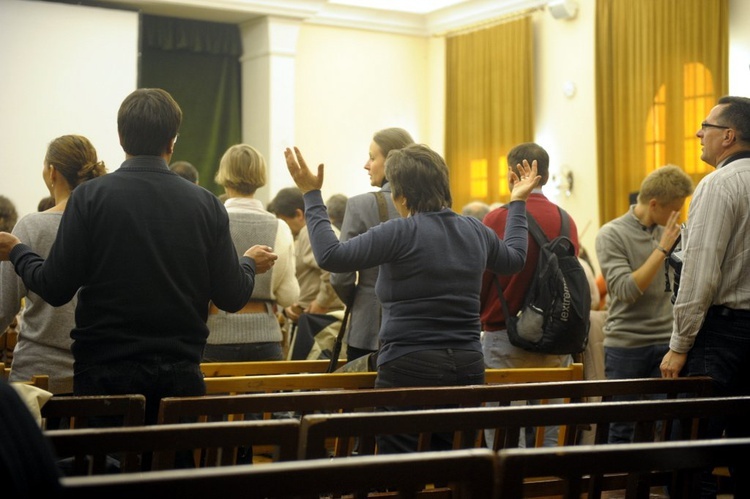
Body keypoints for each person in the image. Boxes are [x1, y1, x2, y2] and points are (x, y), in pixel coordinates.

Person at [0, 88, 277, 427]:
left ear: (120, 137)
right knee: (167, 475)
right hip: (179, 378)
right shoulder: (206, 204)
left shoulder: (90, 198)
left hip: (105, 379)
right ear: (172, 142)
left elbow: (55, 288)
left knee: (104, 474)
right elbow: (231, 296)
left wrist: (17, 251)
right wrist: (247, 263)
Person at [285, 143, 538, 453]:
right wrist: (517, 203)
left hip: (409, 366)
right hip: (467, 365)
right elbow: (514, 259)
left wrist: (312, 195)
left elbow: (330, 255)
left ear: (402, 195)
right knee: (455, 466)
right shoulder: (474, 230)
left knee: (402, 471)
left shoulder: (398, 233)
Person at [660, 95, 750, 497]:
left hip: (721, 336)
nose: (699, 133)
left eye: (706, 127)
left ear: (728, 136)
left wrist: (680, 344)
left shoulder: (719, 184)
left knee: (693, 455)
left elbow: (700, 273)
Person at [479, 142, 581, 448]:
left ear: (511, 176)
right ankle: (549, 488)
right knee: (551, 433)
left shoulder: (497, 219)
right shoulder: (566, 220)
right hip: (555, 336)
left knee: (504, 436)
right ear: (547, 177)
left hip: (505, 333)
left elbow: (482, 281)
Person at [0, 135, 107, 394]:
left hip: (37, 380)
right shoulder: (107, 225)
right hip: (95, 376)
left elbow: (3, 307)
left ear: (52, 172)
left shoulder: (31, 226)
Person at [595, 165, 693, 444]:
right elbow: (626, 290)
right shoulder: (611, 234)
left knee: (666, 426)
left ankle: (658, 488)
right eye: (675, 209)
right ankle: (617, 488)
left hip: (667, 342)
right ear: (653, 204)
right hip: (627, 344)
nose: (679, 216)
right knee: (622, 426)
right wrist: (662, 249)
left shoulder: (672, 231)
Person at [205, 144, 298, 363]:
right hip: (266, 337)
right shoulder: (280, 227)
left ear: (224, 175)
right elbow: (289, 296)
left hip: (218, 335)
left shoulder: (210, 221)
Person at [330, 128, 414, 362]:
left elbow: (340, 276)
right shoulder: (428, 204)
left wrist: (360, 299)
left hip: (369, 327)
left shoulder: (359, 205)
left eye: (372, 157)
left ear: (392, 161)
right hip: (418, 331)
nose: (366, 165)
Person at [269, 187, 344, 359]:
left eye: (284, 221)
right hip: (319, 320)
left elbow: (333, 268)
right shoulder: (318, 230)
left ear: (299, 214)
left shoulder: (308, 233)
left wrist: (321, 302)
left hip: (319, 322)